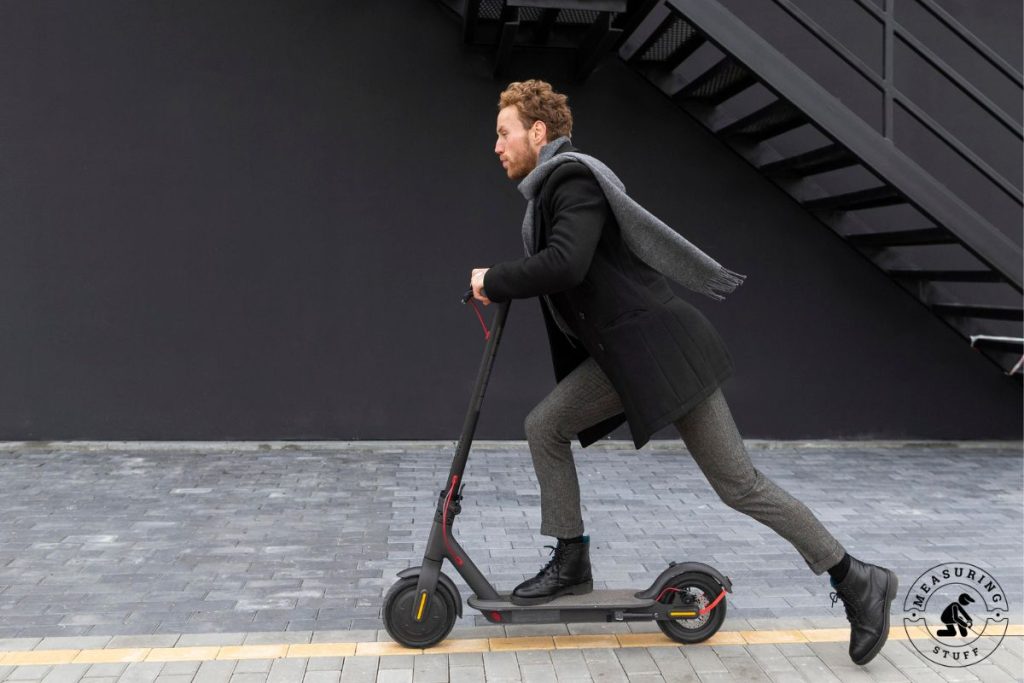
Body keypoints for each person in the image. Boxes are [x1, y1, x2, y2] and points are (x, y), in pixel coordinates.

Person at [469, 79, 897, 666]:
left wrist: (494, 279)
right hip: (625, 359)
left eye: (503, 132)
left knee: (738, 484)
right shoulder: (548, 195)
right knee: (546, 425)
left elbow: (565, 264)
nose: (496, 145)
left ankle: (857, 580)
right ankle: (572, 561)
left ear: (537, 133)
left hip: (664, 353)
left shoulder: (573, 180)